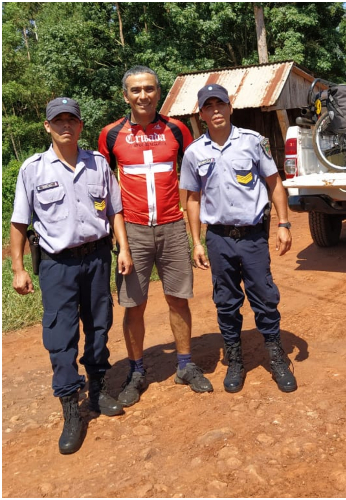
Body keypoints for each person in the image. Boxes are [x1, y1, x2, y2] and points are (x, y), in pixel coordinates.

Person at [9, 97, 134, 454]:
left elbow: (115, 211)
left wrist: (122, 248)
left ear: (81, 126)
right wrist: (18, 269)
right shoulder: (33, 170)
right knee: (61, 336)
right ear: (47, 126)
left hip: (96, 258)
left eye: (72, 120)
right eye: (58, 120)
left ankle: (97, 391)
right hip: (56, 265)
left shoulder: (98, 164)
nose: (66, 125)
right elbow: (19, 223)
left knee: (98, 326)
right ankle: (70, 408)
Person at [98, 65, 211, 406]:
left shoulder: (176, 130)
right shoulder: (111, 134)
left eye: (149, 88)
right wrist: (110, 235)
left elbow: (194, 179)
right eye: (136, 90)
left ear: (159, 93)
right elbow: (101, 185)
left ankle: (185, 365)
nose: (143, 95)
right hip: (132, 231)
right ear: (125, 95)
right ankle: (136, 371)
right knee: (134, 306)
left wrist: (197, 237)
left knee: (179, 298)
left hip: (173, 226)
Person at [179, 84, 297, 393]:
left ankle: (276, 355)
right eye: (209, 106)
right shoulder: (194, 152)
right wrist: (197, 242)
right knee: (226, 302)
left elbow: (274, 182)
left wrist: (284, 223)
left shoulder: (253, 142)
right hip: (218, 238)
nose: (215, 110)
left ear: (230, 108)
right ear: (201, 113)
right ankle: (234, 360)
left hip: (253, 237)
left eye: (221, 104)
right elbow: (192, 198)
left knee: (264, 296)